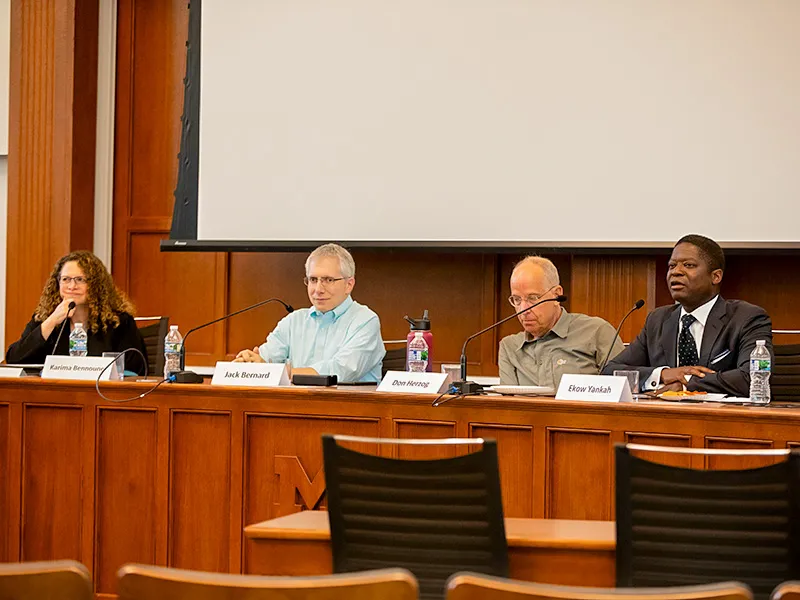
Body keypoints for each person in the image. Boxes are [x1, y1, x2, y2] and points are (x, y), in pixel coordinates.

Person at [603, 234, 772, 397]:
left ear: (716, 276)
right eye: (671, 266)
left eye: (688, 265)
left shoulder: (746, 318)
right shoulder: (658, 320)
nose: (676, 272)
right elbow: (611, 372)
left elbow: (753, 377)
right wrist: (662, 374)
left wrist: (686, 383)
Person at [234, 243, 385, 383]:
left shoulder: (365, 321)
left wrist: (286, 372)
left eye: (328, 280)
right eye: (313, 279)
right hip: (293, 407)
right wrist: (250, 362)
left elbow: (341, 371)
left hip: (347, 409)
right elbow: (266, 359)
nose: (318, 289)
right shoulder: (294, 321)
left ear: (349, 285)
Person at [6, 250, 148, 375]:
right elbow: (14, 358)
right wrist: (52, 321)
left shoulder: (119, 321)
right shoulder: (46, 318)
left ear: (96, 285)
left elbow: (135, 369)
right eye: (66, 279)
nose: (72, 286)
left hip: (103, 398)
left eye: (80, 280)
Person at [498, 256, 624, 389]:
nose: (523, 309)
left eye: (533, 298)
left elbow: (621, 391)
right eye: (517, 300)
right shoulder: (510, 347)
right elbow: (508, 406)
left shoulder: (596, 331)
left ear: (556, 295)